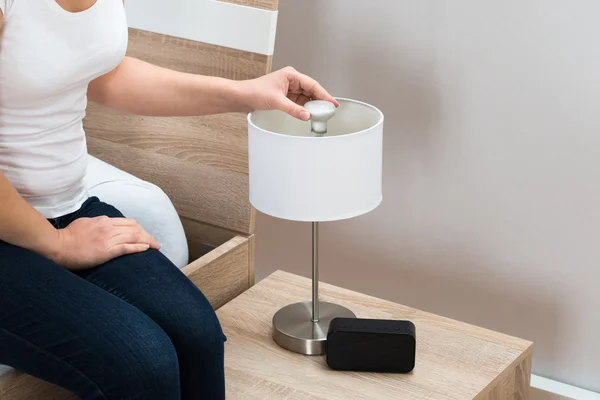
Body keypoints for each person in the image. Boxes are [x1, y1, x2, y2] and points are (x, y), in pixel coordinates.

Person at [0, 1, 338, 399]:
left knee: (197, 335)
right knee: (142, 364)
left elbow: (101, 71)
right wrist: (56, 244)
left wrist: (245, 93)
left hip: (68, 206)